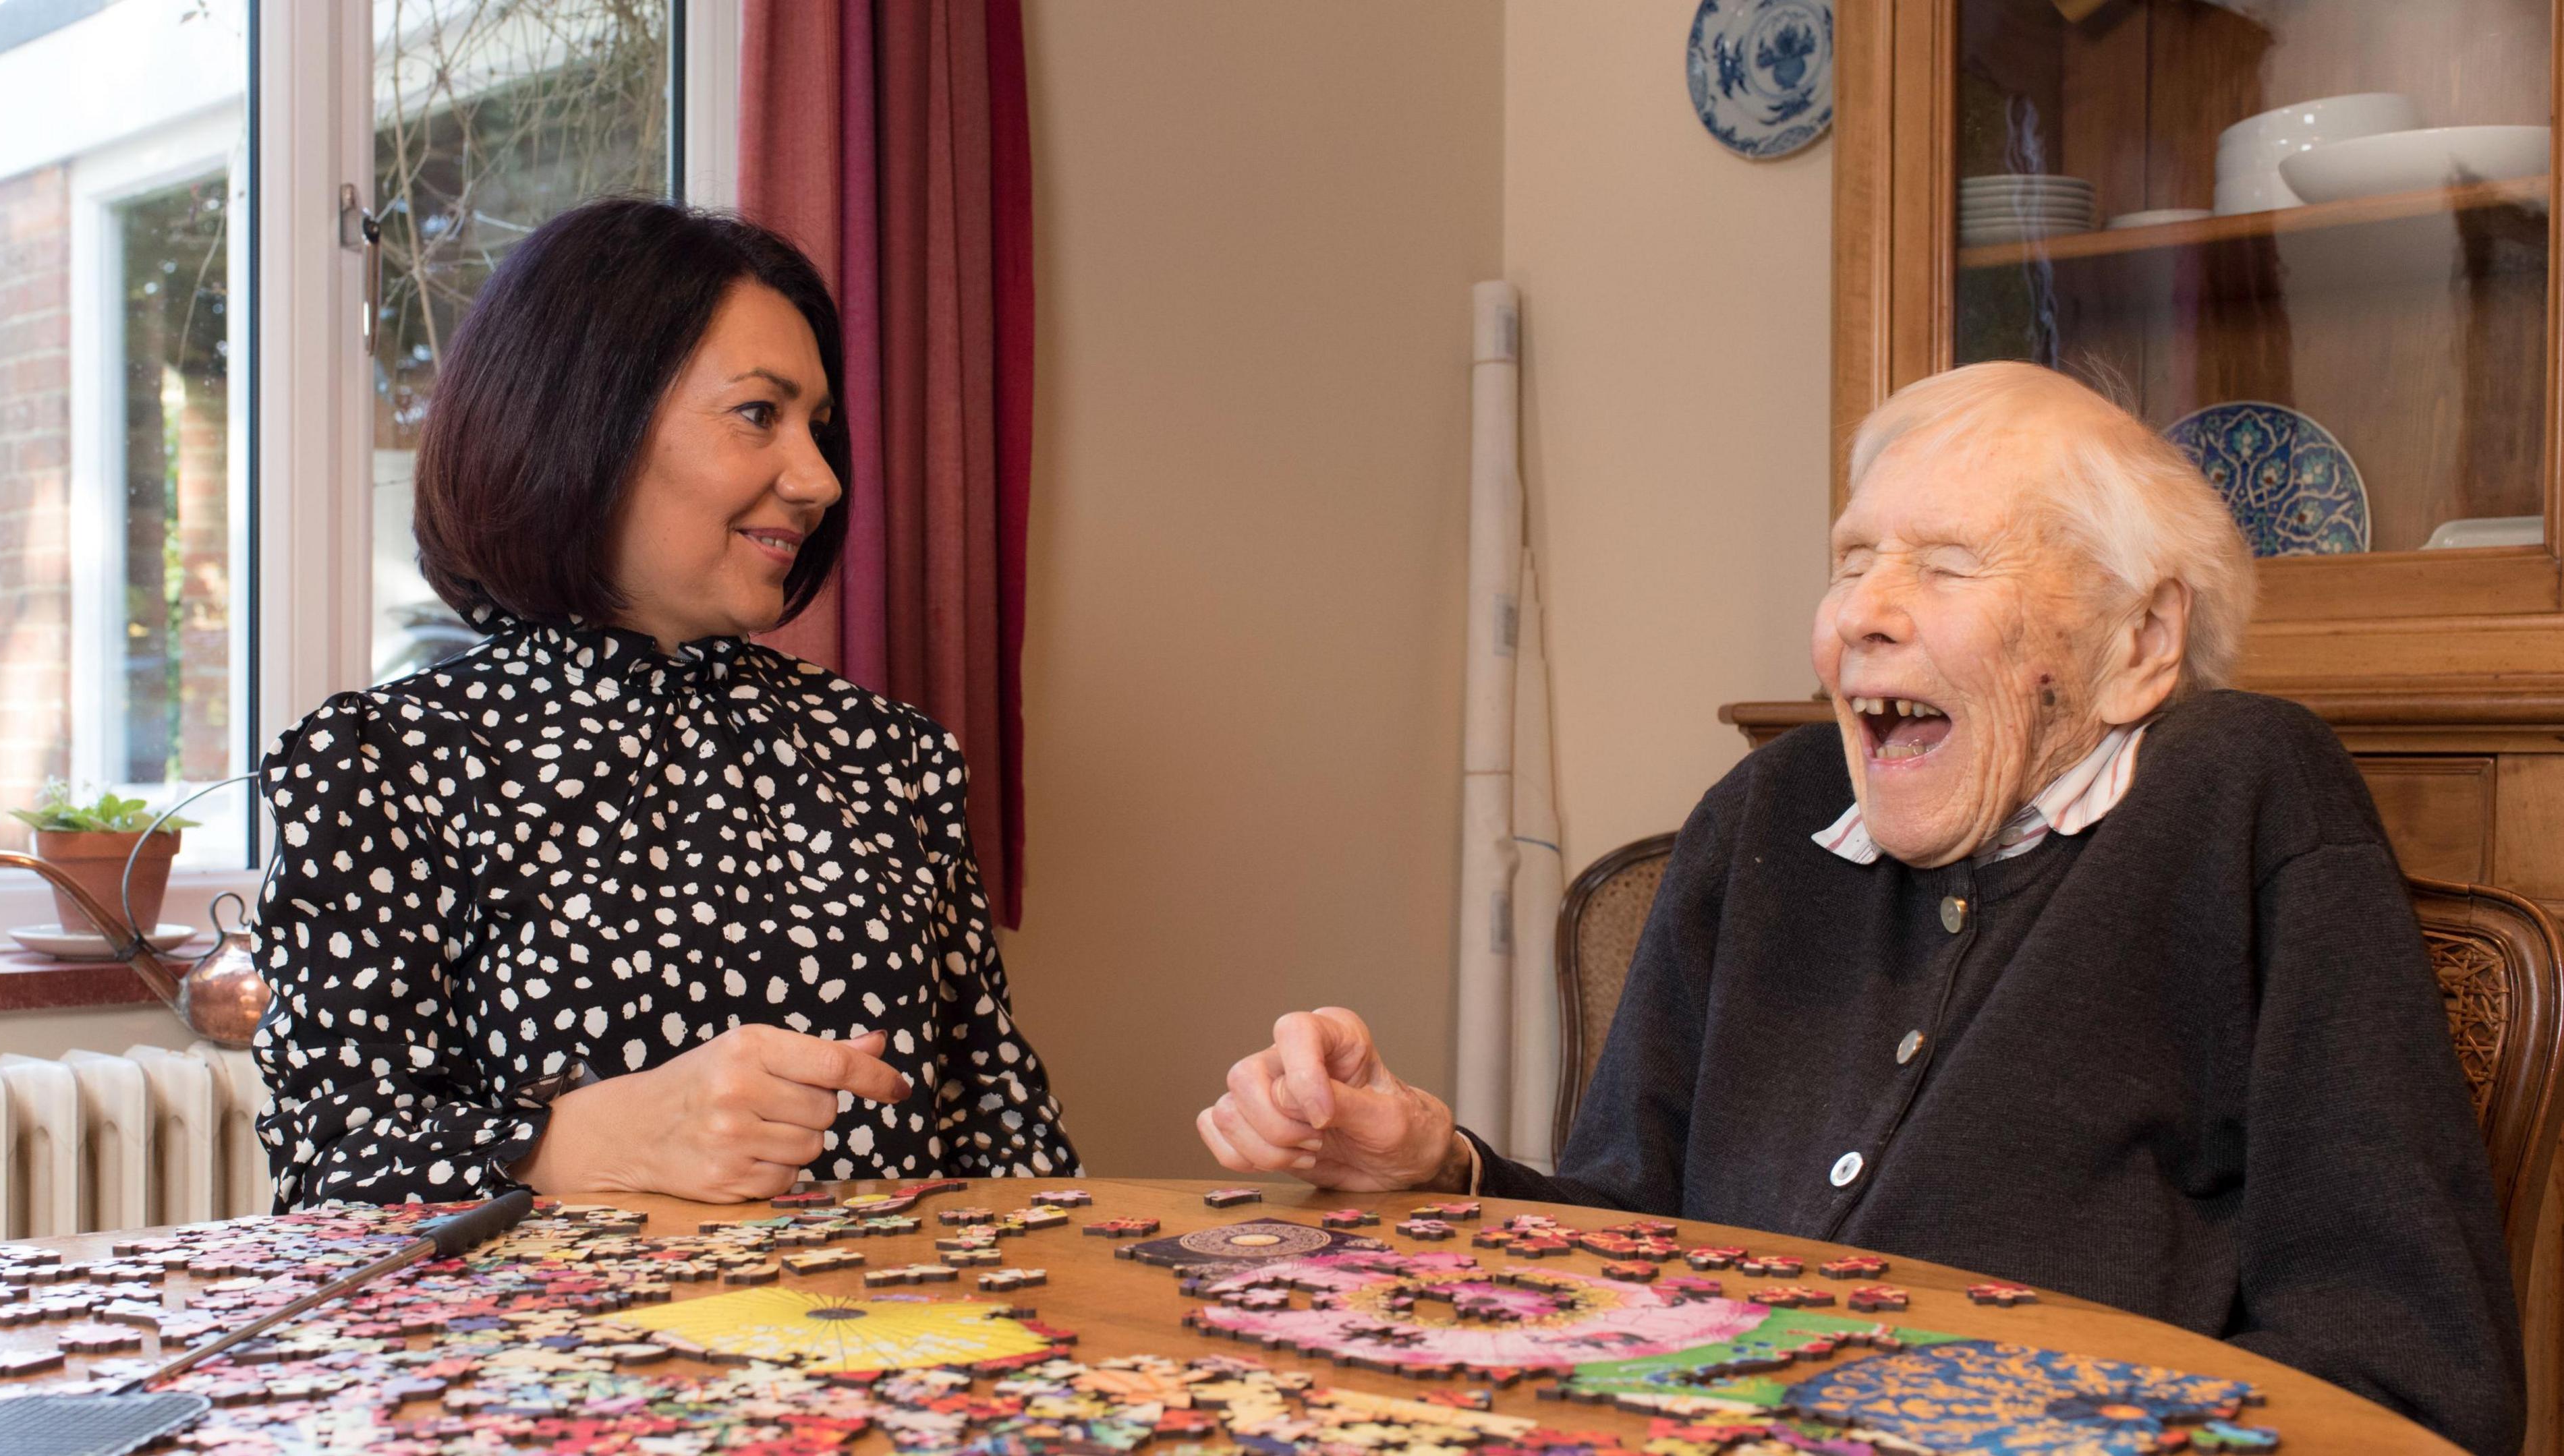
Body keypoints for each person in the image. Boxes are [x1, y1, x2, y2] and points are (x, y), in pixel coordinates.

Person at [1200, 362, 2522, 1455]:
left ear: (2140, 644)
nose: (1858, 620)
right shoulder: (1767, 816)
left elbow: (2404, 1369)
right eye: (1851, 564)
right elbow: (1626, 1246)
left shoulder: (2241, 797)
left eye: (1946, 568)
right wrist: (1438, 1167)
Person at [254, 199, 1076, 1209]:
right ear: (586, 419)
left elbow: (1007, 1138)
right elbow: (328, 1173)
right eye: (758, 414)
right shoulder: (385, 763)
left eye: (819, 429)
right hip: (542, 1366)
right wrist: (566, 1143)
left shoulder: (890, 754)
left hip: (889, 1354)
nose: (819, 480)